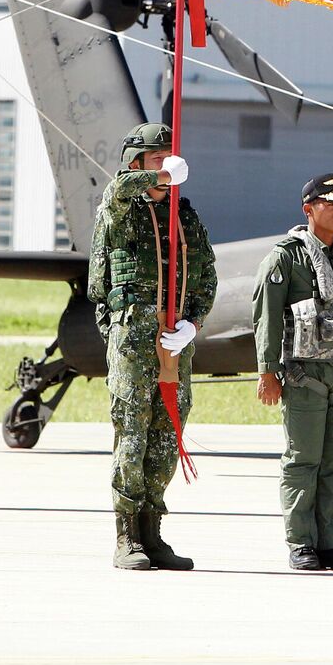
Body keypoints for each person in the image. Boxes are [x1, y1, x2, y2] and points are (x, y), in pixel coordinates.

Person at [85, 121, 217, 571]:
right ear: (135, 164)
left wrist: (193, 324)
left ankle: (153, 532)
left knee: (165, 437)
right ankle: (126, 537)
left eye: (169, 158)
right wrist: (157, 178)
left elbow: (205, 276)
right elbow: (119, 192)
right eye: (155, 158)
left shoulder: (186, 214)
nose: (166, 165)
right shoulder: (120, 207)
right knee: (132, 433)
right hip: (132, 341)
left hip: (172, 342)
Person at [253, 174, 333, 572]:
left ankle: (328, 543)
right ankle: (301, 543)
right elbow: (267, 318)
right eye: (331, 202)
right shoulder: (286, 257)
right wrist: (268, 371)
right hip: (305, 375)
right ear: (309, 209)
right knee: (303, 461)